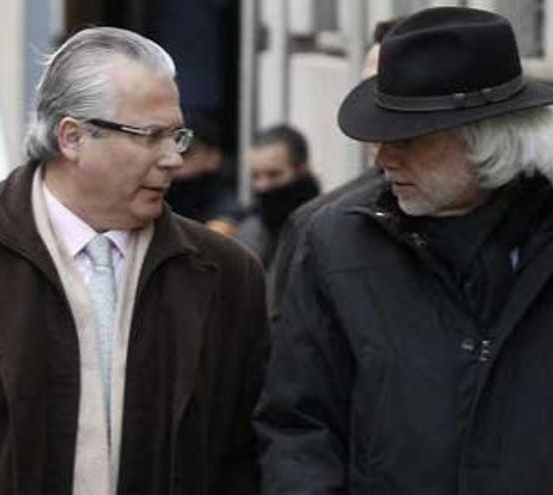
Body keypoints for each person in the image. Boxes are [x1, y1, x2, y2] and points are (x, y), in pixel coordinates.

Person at [255, 7, 553, 495]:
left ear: (490, 141)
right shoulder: (336, 242)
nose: (382, 158)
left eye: (408, 139)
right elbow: (299, 430)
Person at [0, 27, 267, 495]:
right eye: (150, 136)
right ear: (72, 137)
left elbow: (244, 460)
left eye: (177, 136)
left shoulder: (226, 274)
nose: (172, 159)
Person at [267, 17, 402, 318]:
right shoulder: (315, 227)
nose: (372, 108)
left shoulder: (517, 220)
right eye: (366, 90)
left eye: (388, 91)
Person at [235, 124, 319, 266]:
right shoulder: (250, 231)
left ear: (302, 170)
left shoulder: (326, 226)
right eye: (255, 176)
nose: (262, 185)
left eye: (274, 174)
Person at [165, 109, 240, 230]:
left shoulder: (228, 216)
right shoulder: (151, 208)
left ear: (214, 157)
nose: (175, 161)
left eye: (186, 153)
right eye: (168, 153)